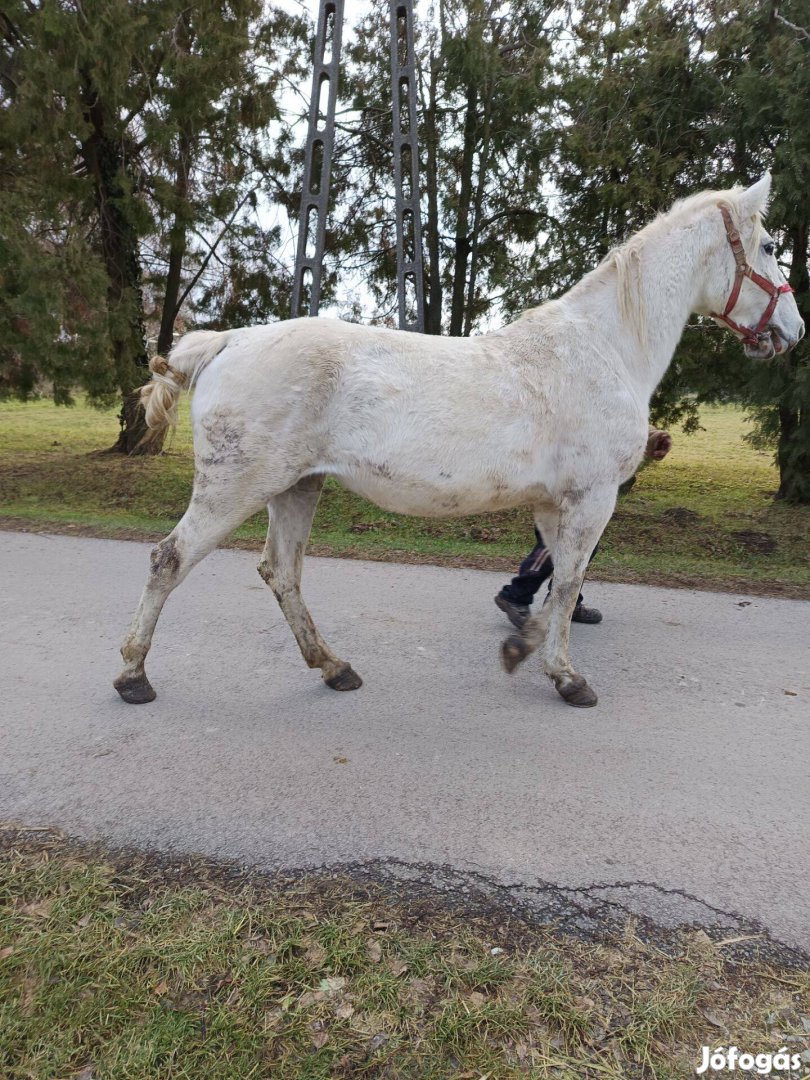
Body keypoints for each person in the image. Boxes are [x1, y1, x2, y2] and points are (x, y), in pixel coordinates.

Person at [494, 428, 673, 630]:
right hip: (564, 479)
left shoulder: (612, 398)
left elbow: (625, 420)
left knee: (587, 545)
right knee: (554, 543)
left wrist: (655, 438)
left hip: (592, 483)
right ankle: (515, 596)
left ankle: (565, 602)